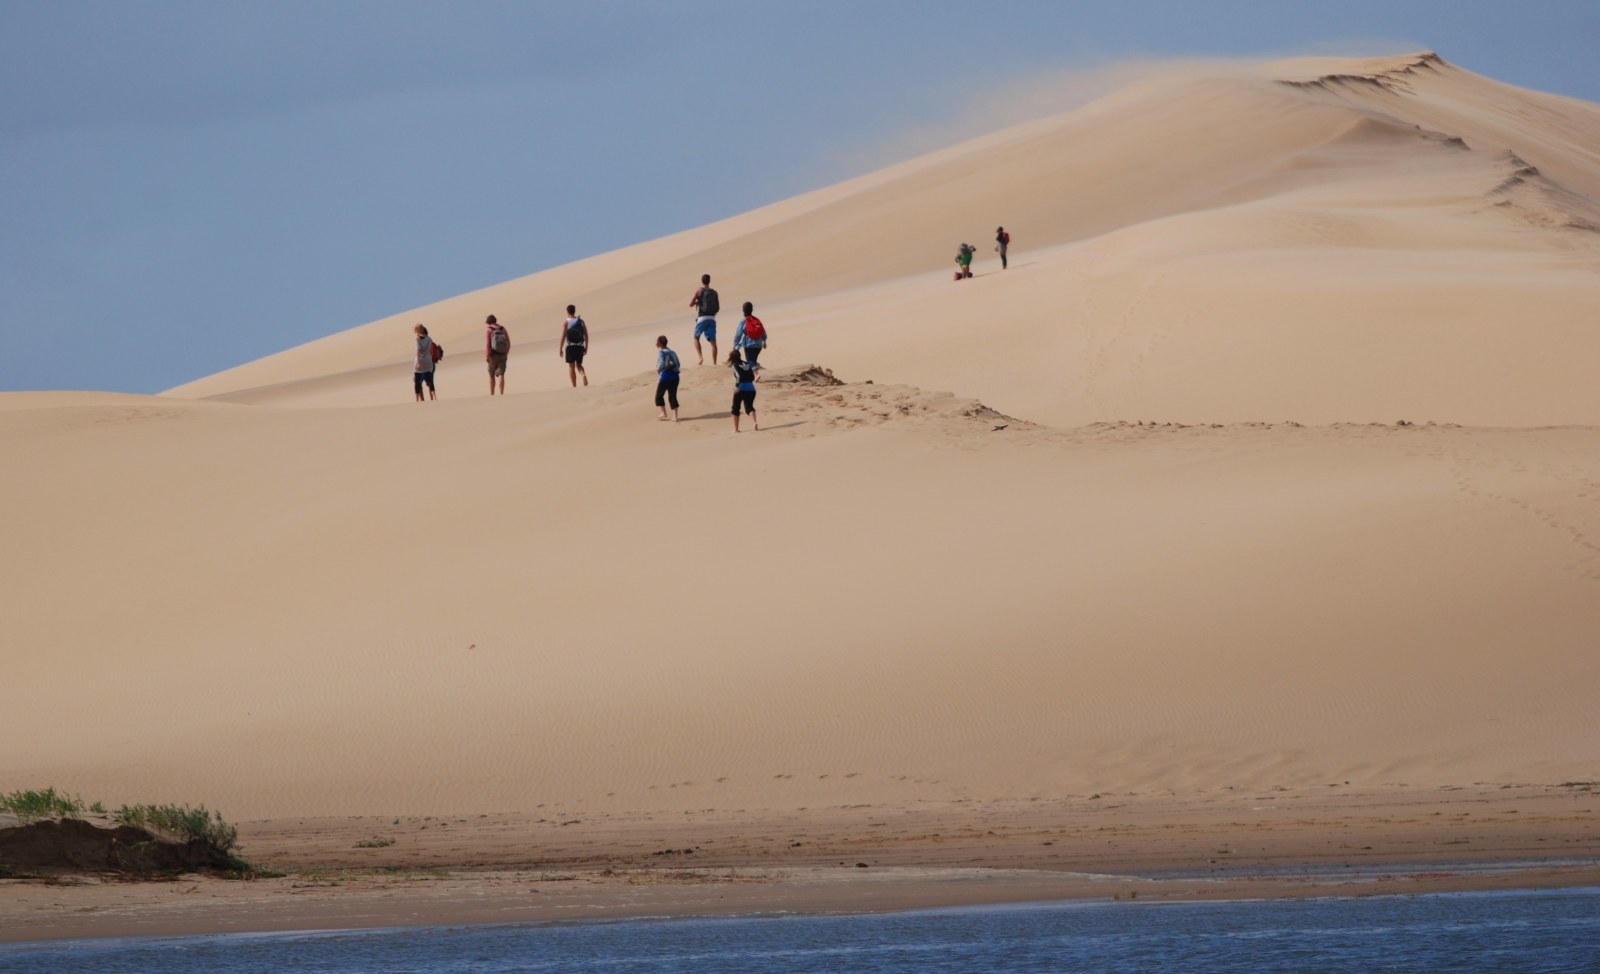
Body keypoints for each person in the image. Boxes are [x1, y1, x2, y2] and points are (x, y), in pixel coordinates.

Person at [689, 273, 720, 365]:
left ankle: (700, 357)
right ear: (709, 281)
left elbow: (690, 304)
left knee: (696, 338)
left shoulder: (699, 290)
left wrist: (697, 302)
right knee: (713, 342)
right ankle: (714, 363)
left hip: (702, 318)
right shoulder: (714, 292)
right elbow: (717, 307)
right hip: (712, 318)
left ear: (702, 281)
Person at [728, 348, 760, 432]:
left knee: (735, 408)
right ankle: (754, 422)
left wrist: (737, 386)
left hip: (741, 388)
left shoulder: (734, 365)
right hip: (751, 388)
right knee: (749, 407)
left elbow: (739, 376)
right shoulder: (747, 363)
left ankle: (736, 429)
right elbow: (752, 377)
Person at [557, 304, 588, 387]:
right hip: (580, 346)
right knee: (579, 365)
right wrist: (586, 347)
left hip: (570, 347)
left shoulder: (566, 322)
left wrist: (560, 348)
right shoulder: (581, 321)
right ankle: (583, 374)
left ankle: (574, 386)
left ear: (567, 311)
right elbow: (586, 335)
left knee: (571, 366)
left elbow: (563, 336)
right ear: (574, 311)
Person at [732, 301, 768, 367]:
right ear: (752, 310)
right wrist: (764, 341)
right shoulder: (756, 320)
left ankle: (756, 374)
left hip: (749, 345)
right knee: (753, 360)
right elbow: (762, 330)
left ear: (743, 310)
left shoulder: (743, 321)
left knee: (750, 361)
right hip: (759, 345)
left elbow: (738, 334)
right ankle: (755, 372)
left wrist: (735, 345)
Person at [654, 335, 681, 422]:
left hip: (666, 376)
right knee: (672, 396)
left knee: (659, 395)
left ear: (660, 343)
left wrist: (658, 369)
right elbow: (678, 364)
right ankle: (675, 417)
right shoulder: (672, 352)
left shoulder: (662, 352)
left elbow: (661, 364)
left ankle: (664, 413)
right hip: (675, 377)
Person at [485, 314, 510, 395]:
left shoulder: (489, 330)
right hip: (502, 354)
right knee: (502, 374)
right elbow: (508, 343)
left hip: (493, 355)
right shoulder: (503, 329)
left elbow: (488, 344)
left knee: (491, 375)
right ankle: (501, 393)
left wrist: (487, 356)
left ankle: (492, 394)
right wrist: (506, 353)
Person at [412, 324, 437, 402]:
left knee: (417, 383)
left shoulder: (418, 340)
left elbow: (418, 352)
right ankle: (434, 398)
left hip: (420, 364)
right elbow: (430, 351)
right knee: (430, 382)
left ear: (419, 332)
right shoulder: (430, 339)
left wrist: (419, 363)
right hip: (429, 363)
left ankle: (417, 401)